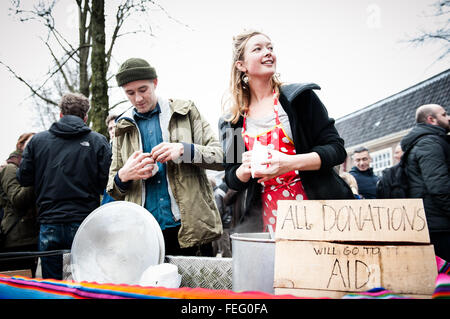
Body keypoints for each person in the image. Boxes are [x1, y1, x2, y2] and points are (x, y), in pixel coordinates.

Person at [219, 30, 353, 233]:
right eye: (258, 49)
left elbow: (336, 150)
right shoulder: (234, 120)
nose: (268, 52)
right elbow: (231, 177)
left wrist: (289, 163)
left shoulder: (300, 98)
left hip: (319, 209)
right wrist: (244, 169)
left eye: (270, 47)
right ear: (241, 65)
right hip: (271, 216)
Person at [107, 58, 223, 256]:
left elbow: (222, 158)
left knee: (194, 288)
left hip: (190, 231)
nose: (138, 99)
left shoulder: (187, 111)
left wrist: (184, 150)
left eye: (143, 90)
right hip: (144, 236)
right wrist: (124, 176)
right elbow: (114, 189)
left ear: (155, 83)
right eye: (130, 93)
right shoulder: (121, 128)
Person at [16, 93, 112, 280]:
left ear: (60, 114)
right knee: (85, 280)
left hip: (50, 221)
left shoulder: (37, 141)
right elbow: (106, 184)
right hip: (84, 222)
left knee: (53, 285)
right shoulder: (98, 141)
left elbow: (24, 178)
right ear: (85, 117)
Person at [400, 104, 450, 261]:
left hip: (435, 220)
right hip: (439, 223)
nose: (448, 117)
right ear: (431, 119)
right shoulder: (429, 143)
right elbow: (438, 186)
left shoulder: (426, 142)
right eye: (444, 114)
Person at [0, 134, 38, 276]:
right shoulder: (10, 169)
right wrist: (37, 179)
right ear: (20, 146)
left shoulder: (32, 167)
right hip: (15, 240)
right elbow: (17, 199)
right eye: (30, 142)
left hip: (30, 238)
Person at [101, 114, 118, 205]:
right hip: (108, 197)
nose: (112, 131)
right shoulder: (104, 150)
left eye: (115, 127)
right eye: (110, 129)